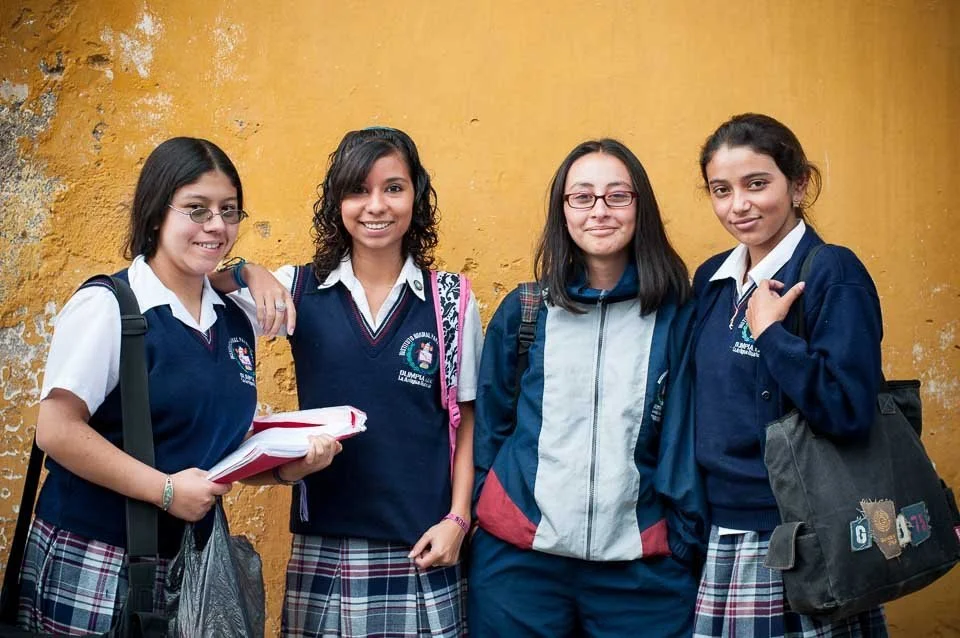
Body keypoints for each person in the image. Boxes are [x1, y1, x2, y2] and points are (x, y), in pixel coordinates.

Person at [16, 137, 341, 635]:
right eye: (197, 209)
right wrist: (165, 491)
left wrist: (285, 472)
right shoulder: (113, 308)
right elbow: (56, 431)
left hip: (189, 565)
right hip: (96, 560)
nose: (216, 225)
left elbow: (207, 455)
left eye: (229, 211)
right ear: (155, 215)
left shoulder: (233, 320)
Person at [215, 127, 482, 637]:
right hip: (327, 546)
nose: (375, 205)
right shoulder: (298, 289)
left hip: (423, 545)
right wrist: (248, 270)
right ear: (337, 201)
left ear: (416, 195)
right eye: (357, 190)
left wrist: (458, 520)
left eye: (393, 188)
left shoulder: (451, 299)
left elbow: (465, 420)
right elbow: (186, 280)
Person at [468, 139, 705, 637]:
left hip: (641, 570)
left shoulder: (678, 315)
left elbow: (691, 433)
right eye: (583, 197)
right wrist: (485, 513)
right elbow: (490, 427)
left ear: (641, 208)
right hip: (519, 567)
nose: (600, 211)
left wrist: (681, 539)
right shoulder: (527, 310)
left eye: (618, 196)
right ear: (563, 210)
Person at [691, 113, 888, 637]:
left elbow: (849, 410)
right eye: (721, 189)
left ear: (799, 185)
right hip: (720, 532)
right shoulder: (712, 279)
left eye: (758, 184)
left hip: (797, 537)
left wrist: (773, 337)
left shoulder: (831, 272)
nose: (739, 205)